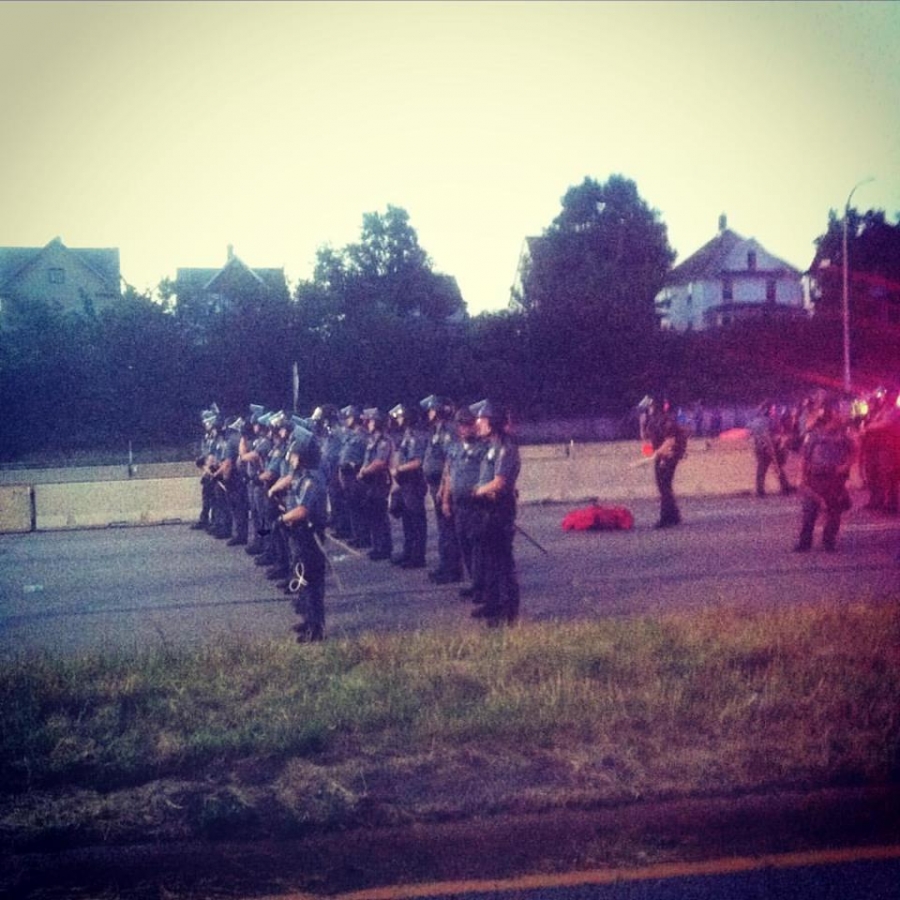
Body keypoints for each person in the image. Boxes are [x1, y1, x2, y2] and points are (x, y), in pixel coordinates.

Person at [469, 399, 520, 626]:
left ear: (493, 422)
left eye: (482, 419)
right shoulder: (492, 446)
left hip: (499, 511)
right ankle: (492, 605)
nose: (478, 424)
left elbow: (499, 482)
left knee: (502, 562)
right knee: (489, 561)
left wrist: (481, 490)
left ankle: (507, 610)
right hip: (487, 510)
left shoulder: (505, 448)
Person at [277, 426, 328, 642]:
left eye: (296, 455)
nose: (292, 458)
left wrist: (283, 519)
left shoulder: (311, 480)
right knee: (302, 580)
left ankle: (316, 628)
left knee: (310, 583)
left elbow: (303, 510)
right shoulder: (302, 477)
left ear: (304, 457)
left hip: (310, 538)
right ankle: (308, 620)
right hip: (299, 536)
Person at [794, 402, 855, 552]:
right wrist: (801, 477)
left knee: (834, 512)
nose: (839, 419)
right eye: (835, 417)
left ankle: (829, 542)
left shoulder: (843, 436)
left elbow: (853, 451)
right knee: (810, 511)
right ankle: (804, 543)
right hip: (815, 478)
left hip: (835, 479)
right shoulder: (813, 436)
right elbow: (804, 457)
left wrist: (846, 466)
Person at [443, 405, 486, 600]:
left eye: (468, 425)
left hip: (477, 506)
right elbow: (450, 475)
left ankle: (482, 586)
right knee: (465, 546)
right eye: (461, 425)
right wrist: (445, 499)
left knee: (478, 548)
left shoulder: (484, 448)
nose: (465, 429)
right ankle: (474, 582)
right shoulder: (455, 448)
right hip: (459, 505)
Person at [421, 394, 462, 584]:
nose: (428, 413)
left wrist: (444, 489)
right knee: (443, 528)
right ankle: (445, 565)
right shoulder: (437, 431)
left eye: (431, 409)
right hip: (436, 484)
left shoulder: (448, 431)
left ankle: (452, 569)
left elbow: (450, 460)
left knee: (448, 528)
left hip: (443, 485)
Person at [389, 403, 429, 569]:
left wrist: (398, 469)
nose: (397, 419)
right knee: (407, 520)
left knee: (416, 521)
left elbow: (417, 462)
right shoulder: (407, 434)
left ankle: (417, 557)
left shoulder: (415, 436)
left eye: (400, 416)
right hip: (406, 483)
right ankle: (409, 552)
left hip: (413, 482)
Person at [639, 396, 687, 529]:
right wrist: (641, 423)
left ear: (655, 407)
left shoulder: (666, 420)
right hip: (661, 455)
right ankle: (674, 515)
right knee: (664, 486)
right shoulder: (652, 421)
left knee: (664, 486)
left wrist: (658, 454)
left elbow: (670, 440)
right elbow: (645, 437)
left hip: (670, 455)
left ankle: (666, 517)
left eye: (650, 407)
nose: (648, 409)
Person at [358, 408, 394, 561]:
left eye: (371, 421)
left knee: (380, 515)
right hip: (370, 482)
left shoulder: (384, 441)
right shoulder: (372, 439)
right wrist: (363, 470)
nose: (368, 423)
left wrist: (364, 471)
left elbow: (380, 462)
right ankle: (377, 545)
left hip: (379, 481)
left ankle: (384, 548)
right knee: (373, 514)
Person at [749, 401, 794, 497]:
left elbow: (751, 433)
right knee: (778, 468)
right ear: (768, 410)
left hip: (760, 448)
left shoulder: (755, 421)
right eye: (772, 409)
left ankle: (760, 490)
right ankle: (785, 487)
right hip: (771, 447)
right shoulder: (771, 421)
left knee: (761, 470)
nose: (774, 411)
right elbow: (775, 434)